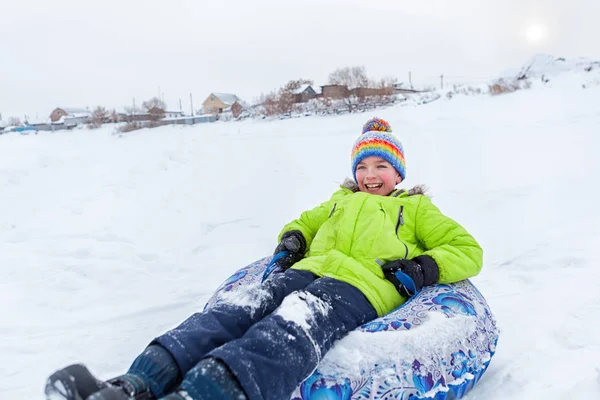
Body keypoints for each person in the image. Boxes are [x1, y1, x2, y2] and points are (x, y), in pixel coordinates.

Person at [46, 117, 483, 400]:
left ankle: (203, 393)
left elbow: (467, 250)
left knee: (292, 325)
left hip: (361, 285)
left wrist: (422, 268)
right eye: (363, 166)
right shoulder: (338, 201)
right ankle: (134, 384)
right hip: (310, 271)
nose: (370, 176)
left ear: (398, 173)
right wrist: (293, 239)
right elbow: (302, 223)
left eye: (380, 166)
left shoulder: (416, 209)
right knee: (235, 312)